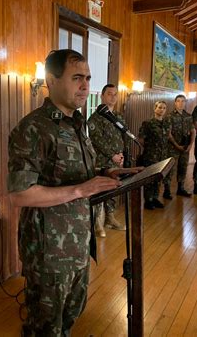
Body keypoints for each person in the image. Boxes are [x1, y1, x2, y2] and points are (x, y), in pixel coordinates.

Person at [8, 49, 125, 336]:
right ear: (51, 80)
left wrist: (107, 173)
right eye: (76, 78)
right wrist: (80, 189)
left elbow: (76, 170)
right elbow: (20, 195)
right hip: (49, 252)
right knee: (45, 326)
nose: (85, 86)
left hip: (78, 243)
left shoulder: (77, 123)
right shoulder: (34, 128)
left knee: (71, 315)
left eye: (87, 78)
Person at [87, 84, 127, 236]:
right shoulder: (95, 118)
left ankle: (110, 218)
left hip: (116, 161)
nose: (113, 97)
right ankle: (98, 223)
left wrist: (121, 154)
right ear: (102, 96)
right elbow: (96, 139)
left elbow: (122, 137)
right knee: (100, 190)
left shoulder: (118, 117)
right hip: (101, 161)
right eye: (109, 94)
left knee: (112, 189)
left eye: (115, 94)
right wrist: (112, 155)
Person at [139, 101, 171, 210]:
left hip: (163, 155)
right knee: (150, 177)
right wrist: (150, 148)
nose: (162, 110)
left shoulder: (167, 123)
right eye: (160, 107)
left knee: (159, 177)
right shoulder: (148, 123)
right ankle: (148, 200)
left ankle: (155, 198)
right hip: (151, 156)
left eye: (164, 108)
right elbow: (141, 139)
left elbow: (167, 138)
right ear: (155, 109)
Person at [163, 94, 196, 198]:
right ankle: (167, 190)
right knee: (170, 168)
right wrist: (177, 146)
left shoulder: (189, 116)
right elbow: (168, 134)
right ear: (175, 103)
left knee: (183, 167)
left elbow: (193, 131)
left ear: (185, 103)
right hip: (173, 147)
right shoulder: (169, 116)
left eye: (183, 101)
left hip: (185, 147)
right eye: (179, 101)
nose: (181, 103)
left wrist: (191, 144)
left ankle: (181, 188)